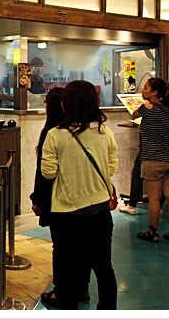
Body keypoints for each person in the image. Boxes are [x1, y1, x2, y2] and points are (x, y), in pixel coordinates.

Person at [41, 80, 118, 310]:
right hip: (99, 211)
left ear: (67, 104)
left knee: (68, 272)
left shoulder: (55, 135)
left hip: (67, 214)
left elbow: (48, 172)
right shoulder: (105, 132)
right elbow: (112, 167)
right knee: (104, 268)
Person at [31, 88, 90, 308]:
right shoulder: (81, 129)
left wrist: (38, 199)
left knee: (62, 248)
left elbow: (44, 173)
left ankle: (62, 292)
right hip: (84, 199)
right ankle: (82, 287)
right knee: (81, 246)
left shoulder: (52, 133)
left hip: (58, 199)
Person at [134, 77, 169, 243]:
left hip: (153, 160)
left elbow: (134, 115)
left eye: (146, 88)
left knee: (154, 198)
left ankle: (153, 232)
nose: (143, 90)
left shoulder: (146, 109)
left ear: (154, 93)